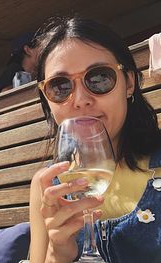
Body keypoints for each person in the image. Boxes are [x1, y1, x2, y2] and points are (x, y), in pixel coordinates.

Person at [29, 16, 161, 263]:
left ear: (129, 82)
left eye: (99, 78)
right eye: (60, 86)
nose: (80, 99)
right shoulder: (46, 185)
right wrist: (57, 253)